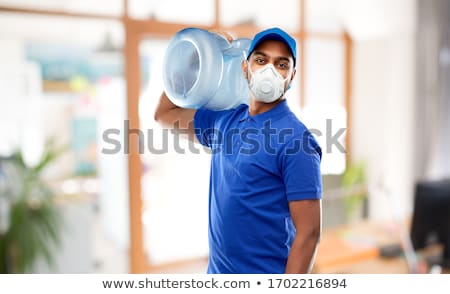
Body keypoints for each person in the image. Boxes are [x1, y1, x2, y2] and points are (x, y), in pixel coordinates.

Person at [154, 27, 322, 274]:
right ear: (245, 67)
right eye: (261, 60)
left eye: (281, 64)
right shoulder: (225, 121)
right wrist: (203, 51)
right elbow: (164, 113)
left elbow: (309, 234)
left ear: (292, 76)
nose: (269, 70)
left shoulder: (297, 141)